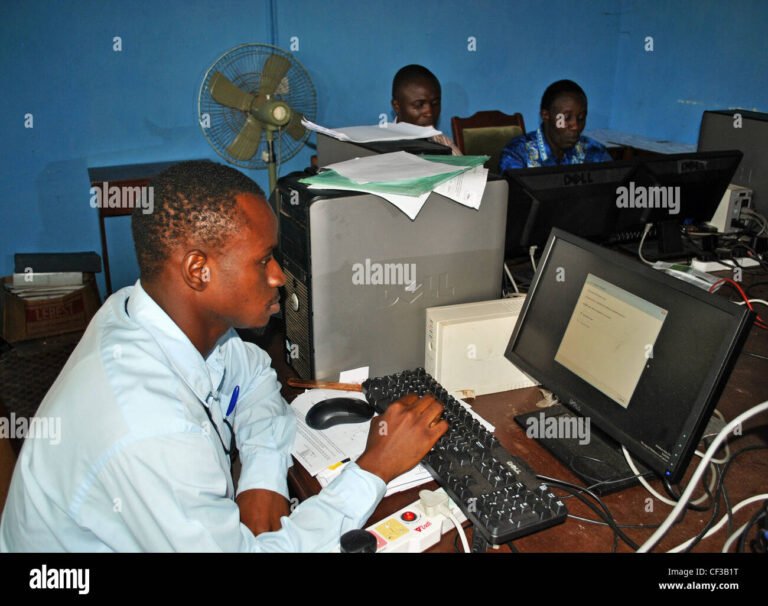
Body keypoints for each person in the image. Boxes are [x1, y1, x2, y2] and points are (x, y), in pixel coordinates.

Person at [0, 160, 448, 552]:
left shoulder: (145, 314)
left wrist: (262, 478)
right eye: (263, 260)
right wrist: (375, 468)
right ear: (198, 270)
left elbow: (254, 377)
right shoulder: (147, 427)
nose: (279, 277)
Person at [498, 79, 611, 172]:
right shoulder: (518, 153)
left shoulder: (594, 152)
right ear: (546, 115)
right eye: (566, 118)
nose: (576, 126)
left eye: (581, 118)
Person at [391, 64, 462, 155]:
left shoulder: (445, 145)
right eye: (419, 105)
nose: (429, 112)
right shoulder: (379, 148)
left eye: (435, 103)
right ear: (397, 106)